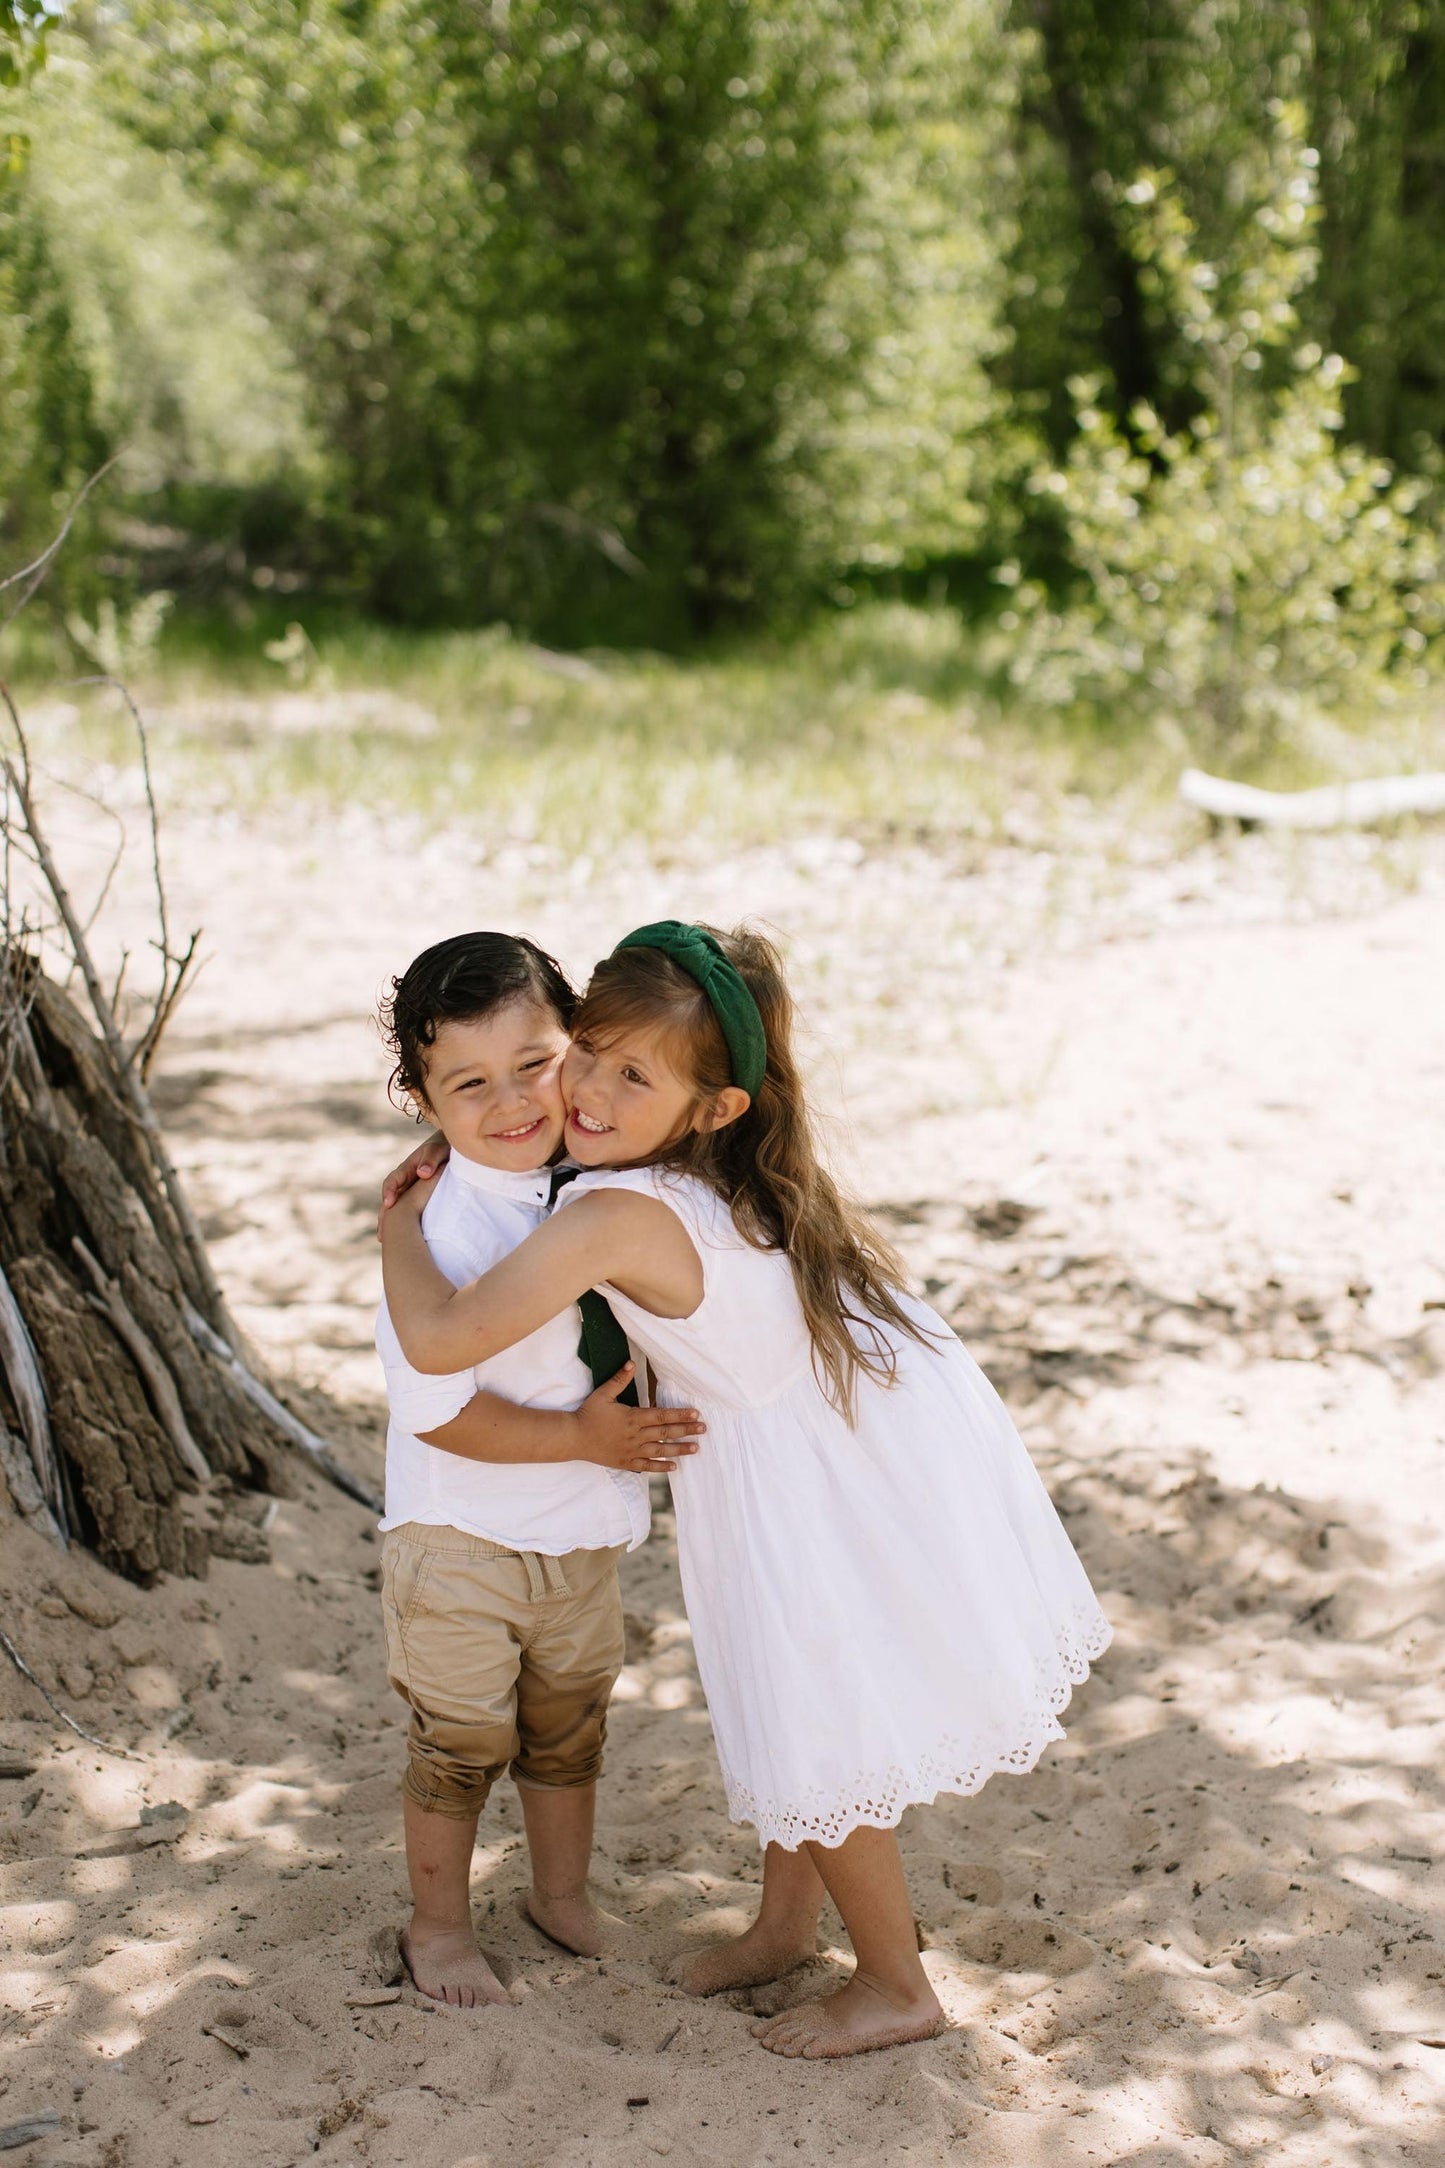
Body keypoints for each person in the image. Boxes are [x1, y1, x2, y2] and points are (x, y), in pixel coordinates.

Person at [379, 921, 1111, 2056]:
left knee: (814, 1710)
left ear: (711, 1105)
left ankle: (892, 1979)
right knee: (792, 1696)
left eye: (634, 1075)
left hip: (799, 1467)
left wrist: (396, 1227)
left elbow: (435, 1338)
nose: (589, 1091)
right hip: (832, 1429)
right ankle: (782, 1921)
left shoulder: (611, 1210)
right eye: (593, 1052)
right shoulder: (694, 1161)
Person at [373, 930, 701, 2009]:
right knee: (462, 1740)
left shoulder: (599, 1172)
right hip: (461, 1536)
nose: (513, 1100)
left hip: (580, 1534)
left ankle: (558, 1895)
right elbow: (441, 1414)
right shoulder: (441, 1229)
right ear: (420, 1097)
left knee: (568, 1730)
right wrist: (581, 1439)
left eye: (535, 1062)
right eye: (468, 1083)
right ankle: (437, 1925)